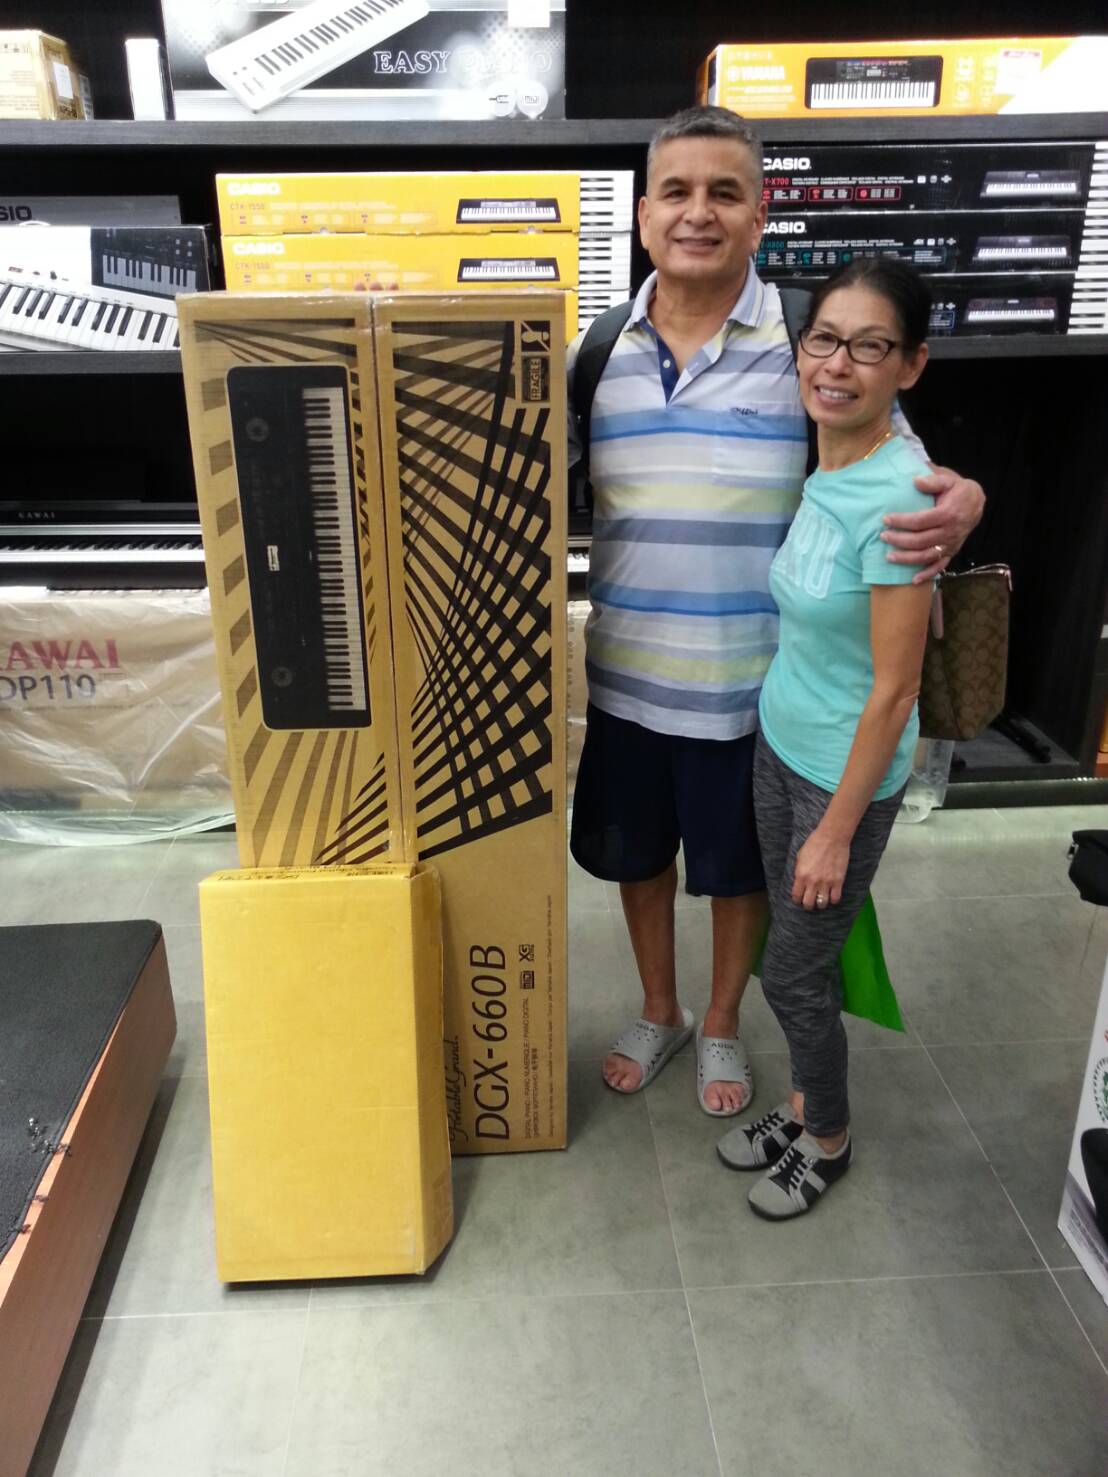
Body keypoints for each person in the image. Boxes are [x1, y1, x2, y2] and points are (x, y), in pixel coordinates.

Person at [568, 106, 983, 1116]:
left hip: (754, 687)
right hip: (625, 670)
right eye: (676, 191)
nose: (697, 213)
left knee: (739, 873)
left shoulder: (804, 338)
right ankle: (659, 1008)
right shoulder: (597, 348)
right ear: (642, 215)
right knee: (636, 859)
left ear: (760, 216)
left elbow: (897, 461)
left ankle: (720, 1022)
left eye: (725, 192)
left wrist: (967, 497)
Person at [717, 257, 935, 1217]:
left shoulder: (901, 502)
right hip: (781, 742)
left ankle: (830, 1136)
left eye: (869, 346)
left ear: (910, 365)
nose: (838, 364)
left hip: (843, 777)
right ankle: (804, 1105)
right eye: (824, 339)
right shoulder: (832, 459)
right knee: (792, 951)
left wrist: (837, 831)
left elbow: (896, 689)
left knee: (794, 976)